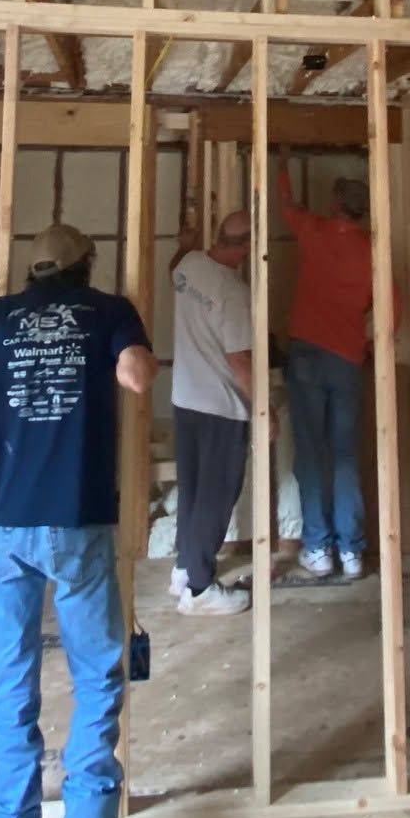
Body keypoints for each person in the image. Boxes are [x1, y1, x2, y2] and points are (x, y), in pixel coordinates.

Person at [0, 223, 156, 818]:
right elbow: (136, 377)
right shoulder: (109, 310)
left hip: (3, 526)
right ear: (88, 265)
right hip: (76, 520)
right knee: (98, 681)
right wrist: (125, 353)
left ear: (34, 270)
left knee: (10, 690)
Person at [273, 161, 389, 580]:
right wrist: (369, 342)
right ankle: (352, 553)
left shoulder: (314, 230)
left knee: (310, 453)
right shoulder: (372, 250)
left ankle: (318, 550)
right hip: (347, 361)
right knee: (343, 456)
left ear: (336, 202)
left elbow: (286, 206)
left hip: (306, 356)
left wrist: (283, 163)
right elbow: (391, 309)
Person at [167, 209, 256, 616]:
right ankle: (201, 590)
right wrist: (263, 410)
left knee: (193, 490)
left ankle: (184, 571)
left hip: (185, 400)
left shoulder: (190, 264)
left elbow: (174, 271)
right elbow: (240, 362)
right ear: (245, 247)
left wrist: (186, 243)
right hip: (221, 405)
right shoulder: (233, 293)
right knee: (215, 497)